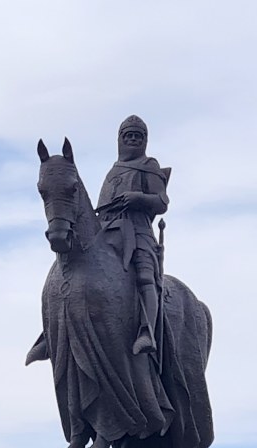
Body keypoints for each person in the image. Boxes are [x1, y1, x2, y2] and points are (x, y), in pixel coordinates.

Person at [96, 115, 170, 355]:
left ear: (145, 140)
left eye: (137, 136)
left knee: (145, 273)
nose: (132, 140)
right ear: (120, 139)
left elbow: (161, 202)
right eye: (128, 136)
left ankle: (147, 331)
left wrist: (138, 198)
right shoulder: (112, 171)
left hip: (138, 230)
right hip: (106, 231)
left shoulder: (149, 165)